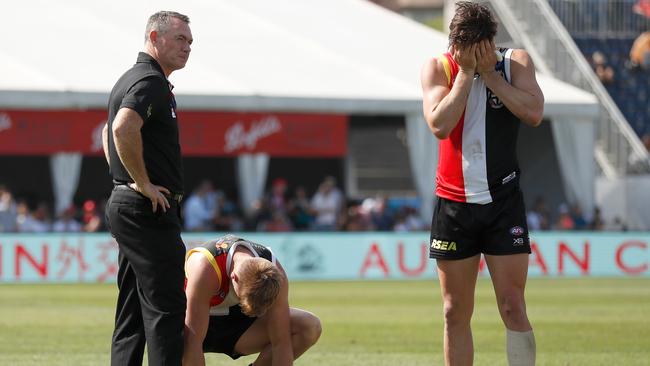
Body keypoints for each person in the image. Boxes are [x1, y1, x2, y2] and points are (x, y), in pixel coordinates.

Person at [420, 2, 544, 365]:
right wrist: (466, 74)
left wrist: (489, 75)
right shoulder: (439, 67)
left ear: (493, 41)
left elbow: (534, 112)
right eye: (465, 47)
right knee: (453, 312)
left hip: (503, 201)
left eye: (482, 46)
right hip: (454, 204)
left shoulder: (513, 62)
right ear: (454, 43)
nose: (474, 54)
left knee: (512, 305)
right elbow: (439, 125)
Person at [102, 11, 193, 366]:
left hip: (129, 204)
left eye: (190, 42)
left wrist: (122, 177)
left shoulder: (131, 78)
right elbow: (122, 128)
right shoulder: (150, 81)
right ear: (154, 38)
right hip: (148, 209)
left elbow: (106, 131)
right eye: (180, 39)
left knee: (131, 312)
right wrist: (140, 183)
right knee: (166, 309)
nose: (187, 48)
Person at [183, 234, 321, 366]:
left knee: (309, 326)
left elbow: (281, 342)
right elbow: (193, 341)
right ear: (234, 277)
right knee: (174, 341)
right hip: (191, 324)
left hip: (238, 327)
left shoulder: (275, 276)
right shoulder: (206, 268)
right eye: (242, 300)